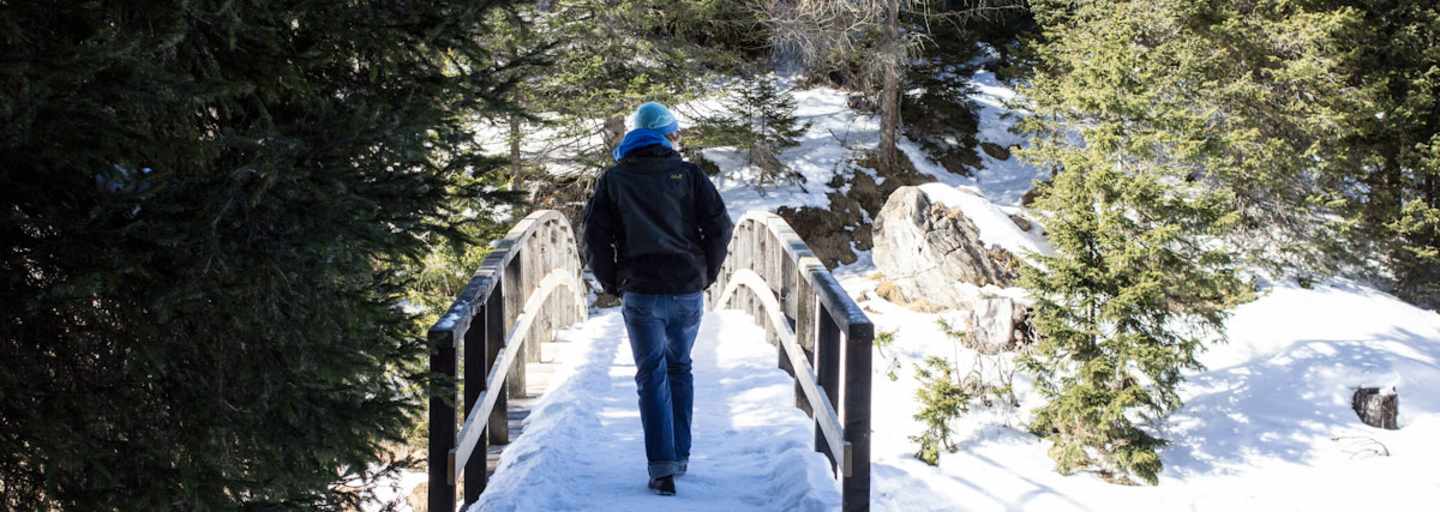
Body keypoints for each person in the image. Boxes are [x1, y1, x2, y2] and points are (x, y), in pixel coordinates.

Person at [582, 101, 734, 496]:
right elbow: (719, 227)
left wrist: (613, 281)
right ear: (667, 134)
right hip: (685, 288)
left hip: (641, 291)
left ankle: (662, 468)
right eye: (676, 132)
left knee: (651, 375)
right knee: (679, 368)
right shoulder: (689, 175)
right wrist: (706, 272)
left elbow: (595, 238)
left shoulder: (615, 179)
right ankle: (680, 455)